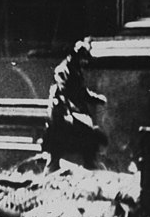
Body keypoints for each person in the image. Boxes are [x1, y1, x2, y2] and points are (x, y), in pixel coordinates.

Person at [43, 38, 108, 169]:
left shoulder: (75, 70)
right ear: (76, 55)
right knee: (87, 133)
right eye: (82, 57)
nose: (84, 61)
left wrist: (97, 99)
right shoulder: (63, 71)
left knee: (89, 132)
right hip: (62, 113)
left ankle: (89, 163)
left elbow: (81, 92)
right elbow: (72, 92)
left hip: (70, 112)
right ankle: (87, 163)